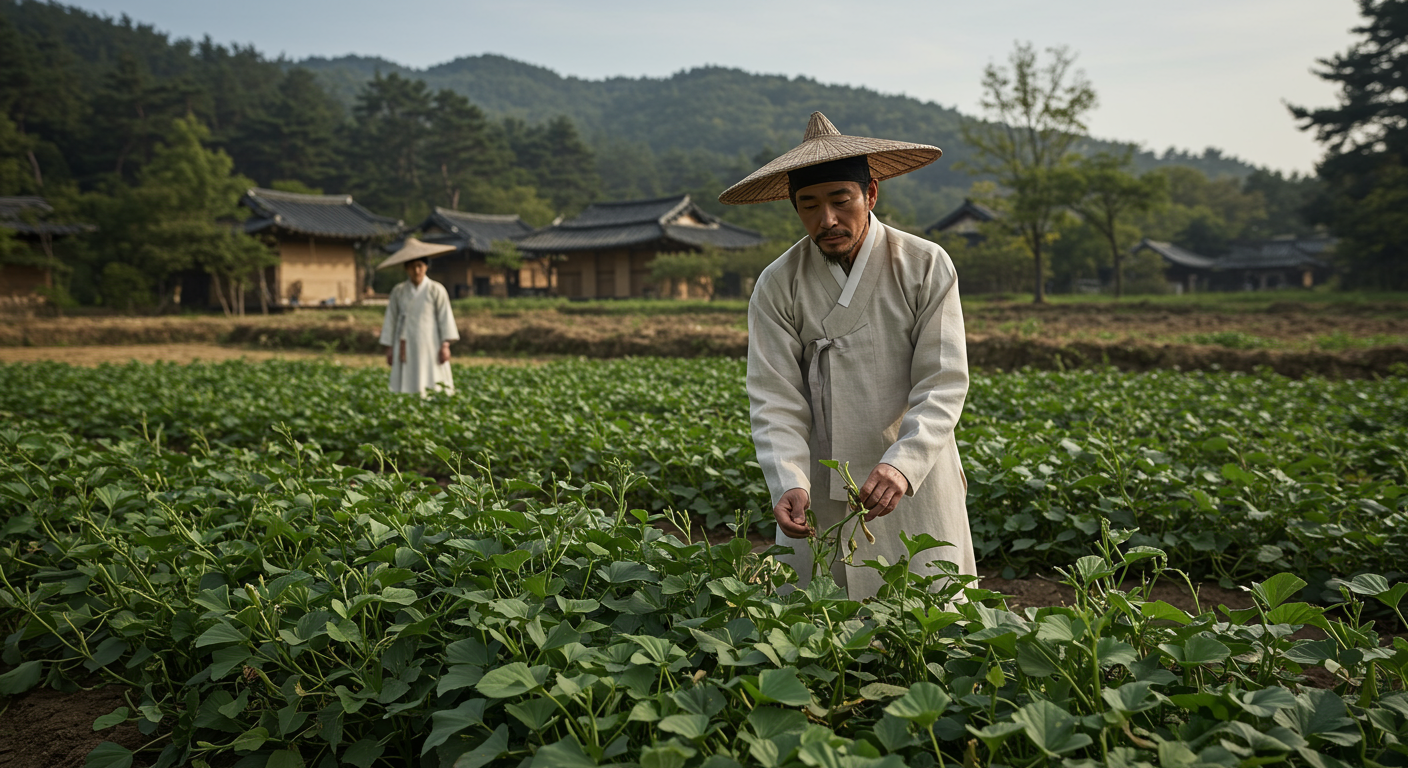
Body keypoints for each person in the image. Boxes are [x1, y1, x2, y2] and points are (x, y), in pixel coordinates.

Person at [719, 112, 975, 600]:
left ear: (871, 194)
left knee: (930, 616)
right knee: (821, 626)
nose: (827, 219)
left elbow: (943, 380)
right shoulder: (778, 283)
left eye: (841, 200)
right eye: (808, 205)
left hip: (912, 474)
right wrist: (787, 479)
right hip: (821, 477)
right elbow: (773, 395)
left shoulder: (923, 264)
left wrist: (903, 463)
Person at [378, 246, 459, 395]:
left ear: (426, 267)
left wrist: (445, 345)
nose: (416, 271)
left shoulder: (436, 289)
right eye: (411, 267)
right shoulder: (399, 291)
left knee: (433, 378)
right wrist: (389, 348)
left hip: (430, 343)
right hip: (405, 342)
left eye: (419, 266)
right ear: (406, 269)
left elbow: (445, 317)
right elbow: (391, 318)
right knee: (405, 382)